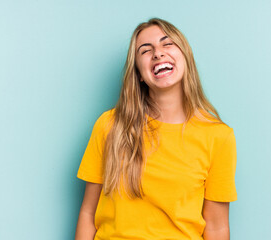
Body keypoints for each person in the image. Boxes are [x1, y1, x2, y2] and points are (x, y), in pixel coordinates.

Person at [75, 18, 237, 240]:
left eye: (167, 44)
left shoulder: (219, 136)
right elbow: (87, 213)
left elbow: (217, 227)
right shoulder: (110, 125)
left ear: (185, 57)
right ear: (139, 74)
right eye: (145, 50)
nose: (158, 53)